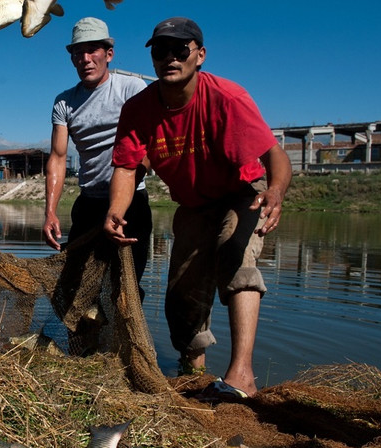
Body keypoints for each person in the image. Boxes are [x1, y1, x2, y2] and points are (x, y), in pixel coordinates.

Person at [103, 17, 292, 398]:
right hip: (191, 204)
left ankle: (242, 377)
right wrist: (115, 210)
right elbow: (126, 166)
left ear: (199, 55)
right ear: (153, 59)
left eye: (180, 49)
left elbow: (275, 155)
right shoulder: (139, 109)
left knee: (235, 258)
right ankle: (193, 374)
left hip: (242, 193)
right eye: (160, 51)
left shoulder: (227, 97)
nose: (170, 58)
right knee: (181, 299)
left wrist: (275, 191)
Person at [43, 17, 152, 291]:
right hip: (89, 203)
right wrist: (50, 212)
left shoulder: (132, 89)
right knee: (76, 288)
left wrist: (118, 205)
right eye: (78, 52)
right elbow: (57, 158)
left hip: (132, 206)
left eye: (93, 50)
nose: (86, 59)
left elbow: (148, 150)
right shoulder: (65, 101)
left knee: (124, 288)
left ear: (109, 54)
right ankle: (82, 334)